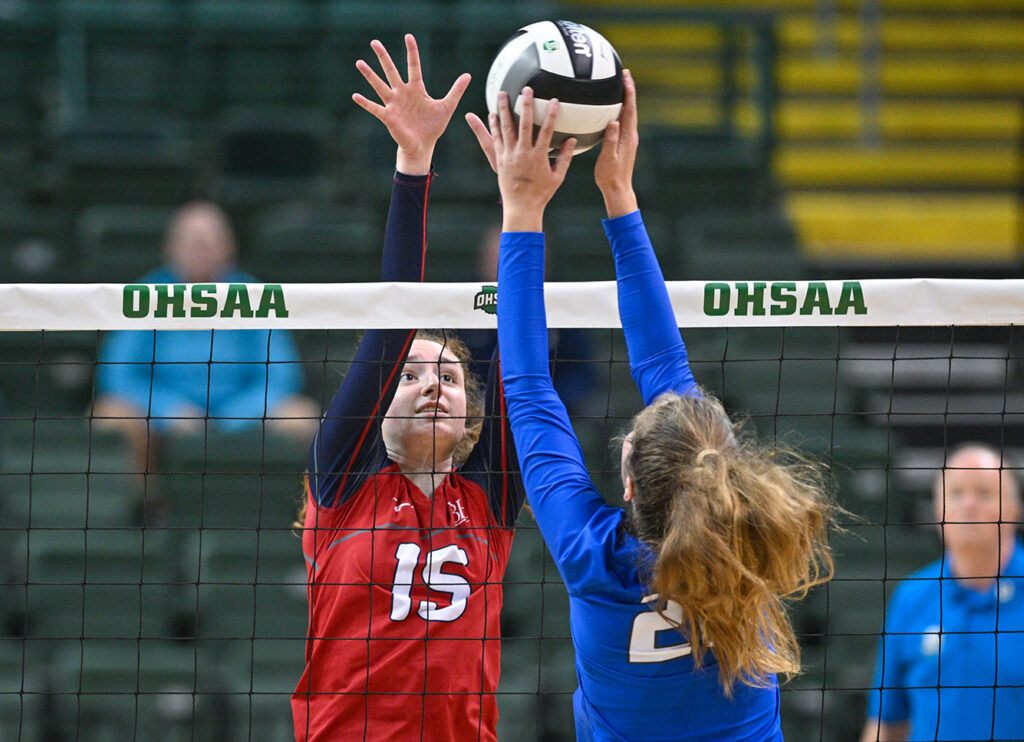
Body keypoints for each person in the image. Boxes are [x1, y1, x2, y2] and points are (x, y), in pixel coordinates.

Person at [467, 72, 836, 740]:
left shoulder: (593, 554)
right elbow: (549, 385)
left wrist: (524, 208)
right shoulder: (747, 541)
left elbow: (525, 386)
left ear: (630, 479)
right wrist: (614, 194)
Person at [291, 35, 525, 742]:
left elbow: (525, 349)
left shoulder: (489, 500)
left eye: (449, 377)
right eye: (413, 375)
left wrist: (524, 204)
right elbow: (390, 328)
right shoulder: (341, 483)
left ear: (474, 421)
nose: (430, 386)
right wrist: (414, 163)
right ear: (377, 408)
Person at [93, 201, 318, 477]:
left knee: (301, 416)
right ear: (170, 248)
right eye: (191, 242)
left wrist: (234, 417)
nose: (200, 251)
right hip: (166, 416)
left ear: (229, 247)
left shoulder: (254, 295)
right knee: (110, 414)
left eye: (209, 242)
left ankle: (289, 513)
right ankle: (148, 509)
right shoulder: (146, 295)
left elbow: (283, 375)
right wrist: (168, 411)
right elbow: (118, 375)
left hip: (241, 412)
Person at [861, 442, 1024, 742]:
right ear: (938, 510)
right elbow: (887, 723)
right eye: (956, 494)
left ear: (1015, 508)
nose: (969, 505)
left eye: (984, 494)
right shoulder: (912, 596)